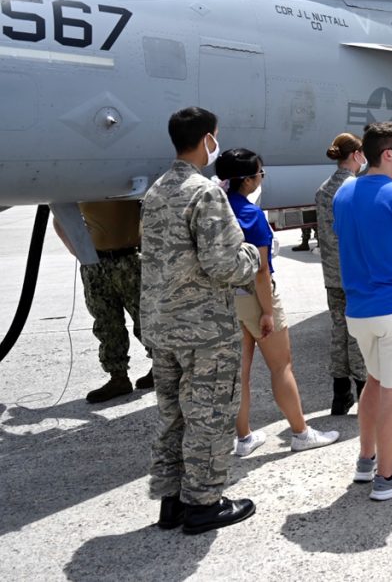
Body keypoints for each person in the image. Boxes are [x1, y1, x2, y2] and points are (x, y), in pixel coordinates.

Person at [141, 107, 260, 535]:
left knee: (173, 416)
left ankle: (172, 502)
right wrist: (252, 255)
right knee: (209, 414)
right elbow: (223, 263)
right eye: (216, 137)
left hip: (163, 325)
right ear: (208, 139)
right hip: (203, 328)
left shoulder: (156, 190)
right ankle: (205, 504)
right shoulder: (205, 193)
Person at [215, 149, 339, 457]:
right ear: (247, 180)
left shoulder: (215, 209)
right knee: (281, 366)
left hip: (226, 299)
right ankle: (300, 432)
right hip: (255, 298)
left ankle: (244, 438)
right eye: (260, 173)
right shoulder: (250, 214)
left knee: (239, 374)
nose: (261, 178)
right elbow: (261, 270)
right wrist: (268, 311)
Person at [334, 122, 392, 501]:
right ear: (388, 153)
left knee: (374, 381)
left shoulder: (344, 193)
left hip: (359, 311)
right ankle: (387, 476)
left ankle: (366, 460)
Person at [52, 201, 152, 403]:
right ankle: (118, 378)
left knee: (146, 318)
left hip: (129, 260)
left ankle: (161, 367)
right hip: (95, 264)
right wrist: (80, 252)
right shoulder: (82, 190)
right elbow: (59, 218)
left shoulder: (121, 185)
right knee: (106, 323)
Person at [315, 133, 368, 415]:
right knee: (358, 333)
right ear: (356, 154)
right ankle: (363, 391)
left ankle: (340, 394)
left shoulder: (323, 189)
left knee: (338, 331)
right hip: (355, 273)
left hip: (332, 274)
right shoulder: (356, 189)